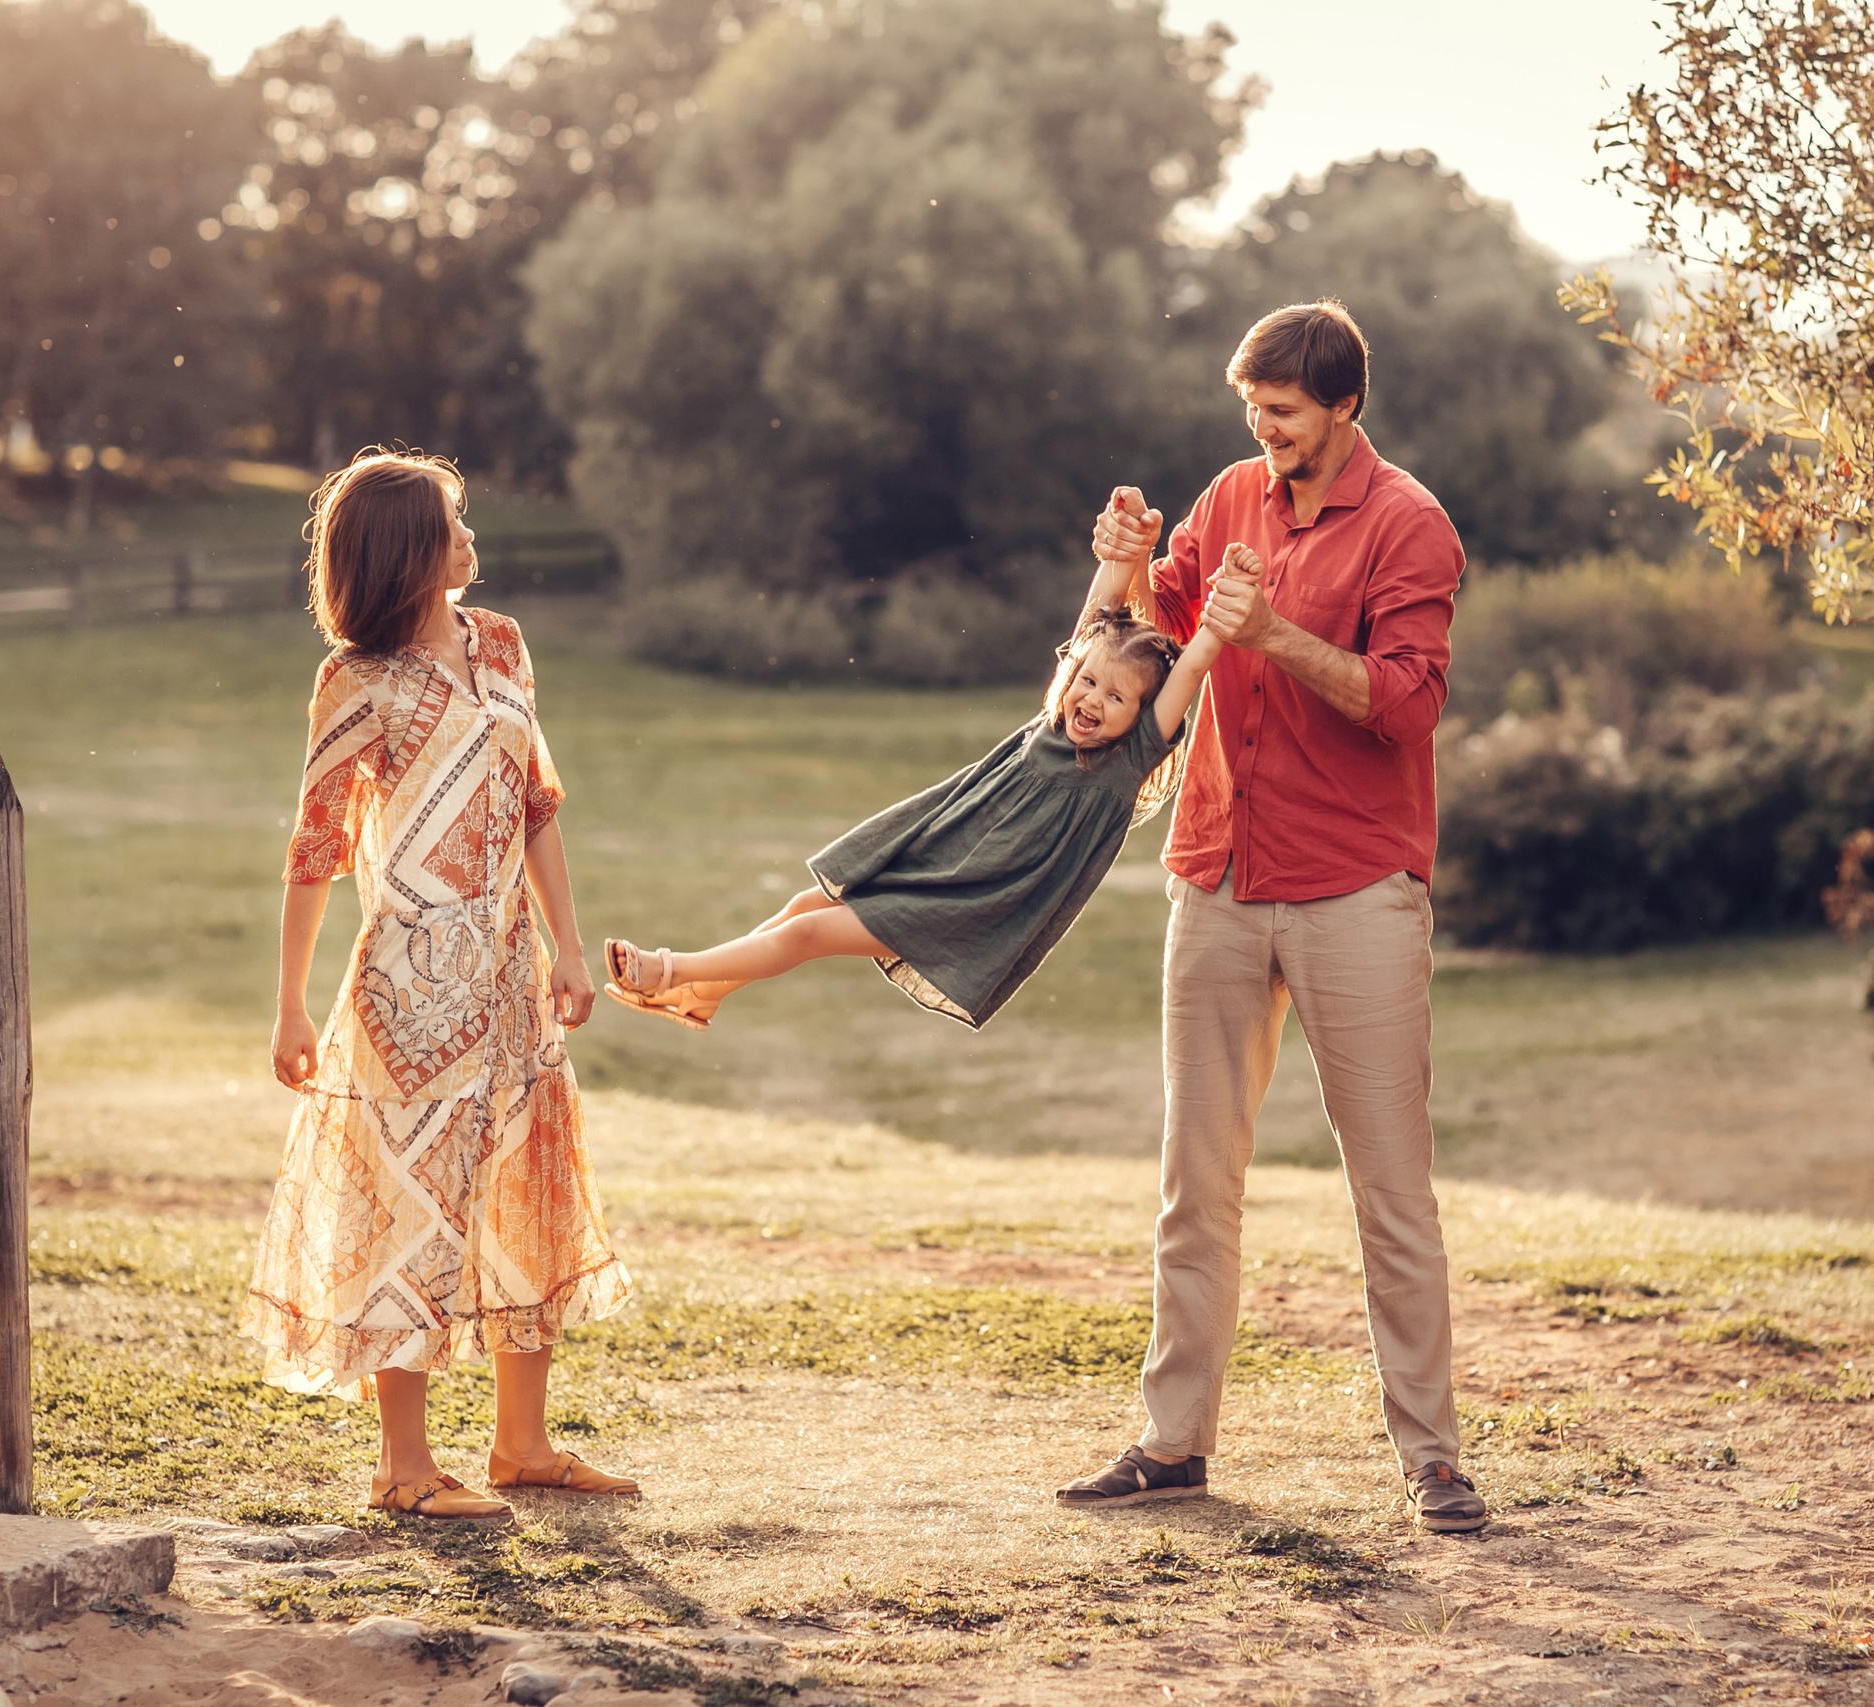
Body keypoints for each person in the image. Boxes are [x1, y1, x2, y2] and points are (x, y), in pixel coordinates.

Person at [1053, 300, 1487, 1533]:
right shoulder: (1232, 492)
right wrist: (1128, 559)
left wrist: (1276, 636)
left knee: (1390, 1189)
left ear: (1344, 405)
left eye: (1283, 411)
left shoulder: (1409, 525)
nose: (1262, 429)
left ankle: (1432, 1459)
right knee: (1196, 1183)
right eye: (1251, 407)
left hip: (1355, 887)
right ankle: (1171, 1445)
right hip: (1216, 877)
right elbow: (1144, 641)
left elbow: (1404, 707)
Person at [241, 449, 637, 1521]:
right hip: (408, 983)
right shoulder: (355, 682)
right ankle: (403, 1468)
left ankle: (523, 1445)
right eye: (453, 521)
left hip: (510, 969)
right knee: (408, 1204)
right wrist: (288, 1004)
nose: (472, 535)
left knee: (527, 1185)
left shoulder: (499, 640)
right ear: (408, 550)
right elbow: (314, 845)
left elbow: (539, 803)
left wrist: (565, 944)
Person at [601, 554, 1242, 1032]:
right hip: (938, 866)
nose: (1093, 702)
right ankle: (708, 994)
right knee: (804, 907)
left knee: (806, 936)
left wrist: (1226, 609)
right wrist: (1113, 555)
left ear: (1145, 716)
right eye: (1089, 682)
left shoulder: (1122, 767)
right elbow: (1095, 618)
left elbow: (1190, 668)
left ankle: (672, 970)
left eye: (1117, 697)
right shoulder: (1050, 724)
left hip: (973, 902)